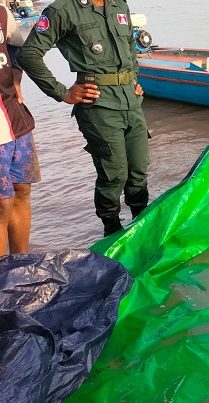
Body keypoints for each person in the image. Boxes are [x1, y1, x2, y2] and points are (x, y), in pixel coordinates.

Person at [18, 0, 148, 237]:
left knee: (139, 171)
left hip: (131, 101)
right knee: (114, 174)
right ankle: (111, 231)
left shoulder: (119, 5)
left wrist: (133, 78)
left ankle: (142, 229)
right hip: (98, 105)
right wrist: (62, 92)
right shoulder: (62, 10)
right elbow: (29, 55)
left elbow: (130, 44)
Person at [0, 3, 38, 255]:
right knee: (1, 204)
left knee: (22, 190)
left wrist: (16, 75)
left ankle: (22, 267)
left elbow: (18, 44)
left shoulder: (2, 12)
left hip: (14, 117)